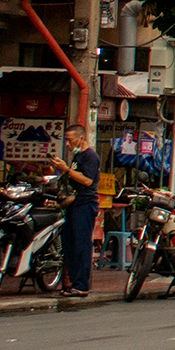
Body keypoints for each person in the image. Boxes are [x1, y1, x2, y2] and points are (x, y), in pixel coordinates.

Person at [49, 124, 100, 296]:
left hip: (85, 204)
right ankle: (73, 281)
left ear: (80, 138)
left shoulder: (91, 157)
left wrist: (67, 169)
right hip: (73, 204)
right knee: (69, 244)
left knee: (81, 244)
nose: (68, 144)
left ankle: (81, 285)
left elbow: (87, 181)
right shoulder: (77, 156)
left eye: (70, 140)